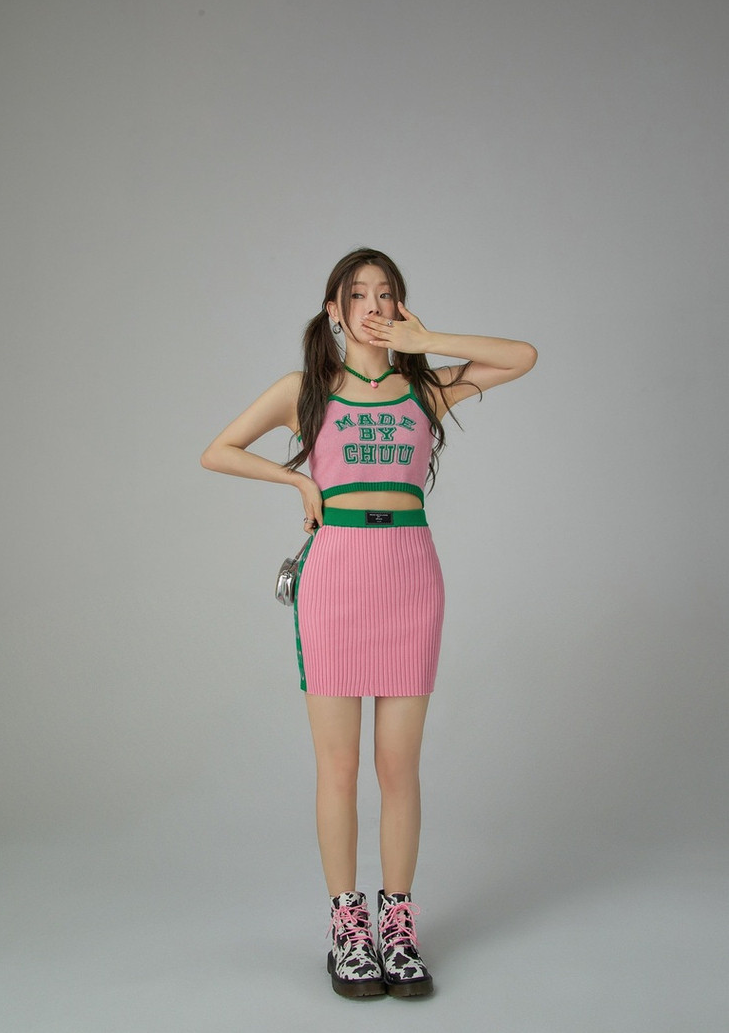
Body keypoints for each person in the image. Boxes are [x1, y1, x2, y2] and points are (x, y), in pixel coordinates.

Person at [200, 247, 537, 1000]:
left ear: (401, 305)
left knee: (397, 767)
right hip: (334, 578)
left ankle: (399, 926)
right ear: (336, 311)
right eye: (359, 295)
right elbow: (217, 452)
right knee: (339, 768)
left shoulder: (426, 389)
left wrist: (428, 341)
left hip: (410, 575)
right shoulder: (306, 390)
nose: (375, 307)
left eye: (387, 294)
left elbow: (523, 356)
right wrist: (295, 482)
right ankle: (349, 930)